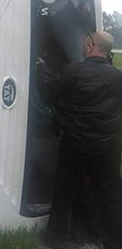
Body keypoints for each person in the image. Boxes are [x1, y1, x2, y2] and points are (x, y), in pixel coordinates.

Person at [44, 31, 122, 249]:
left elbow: (48, 94)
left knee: (64, 191)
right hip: (106, 146)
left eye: (84, 43)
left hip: (75, 143)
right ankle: (113, 241)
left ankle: (56, 239)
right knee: (111, 195)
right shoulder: (118, 77)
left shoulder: (73, 72)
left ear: (90, 46)